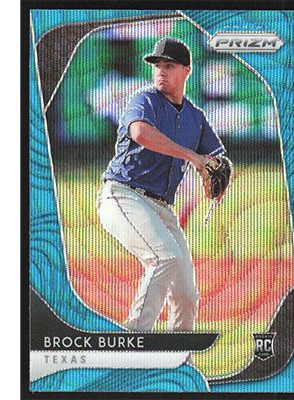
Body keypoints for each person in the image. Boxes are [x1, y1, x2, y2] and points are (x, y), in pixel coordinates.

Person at [98, 38, 227, 333]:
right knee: (164, 257)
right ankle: (134, 340)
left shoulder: (195, 117)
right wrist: (193, 157)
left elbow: (216, 161)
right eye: (157, 65)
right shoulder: (145, 100)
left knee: (186, 295)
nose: (161, 71)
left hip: (161, 207)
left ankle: (178, 355)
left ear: (187, 71)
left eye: (169, 65)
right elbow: (141, 134)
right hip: (123, 195)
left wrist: (219, 177)